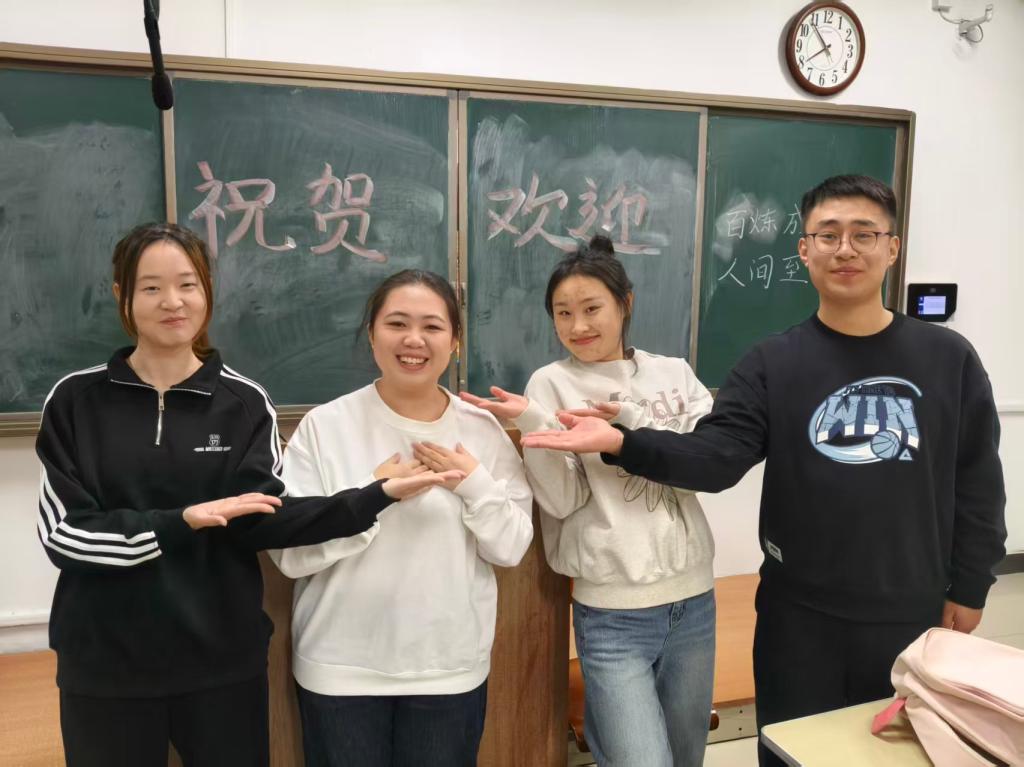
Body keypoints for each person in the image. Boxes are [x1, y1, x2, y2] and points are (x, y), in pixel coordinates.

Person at [521, 176, 1007, 766]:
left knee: (896, 755)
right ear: (804, 249)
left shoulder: (948, 358)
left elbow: (978, 482)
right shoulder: (772, 363)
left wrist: (971, 584)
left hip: (910, 608)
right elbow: (715, 458)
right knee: (792, 755)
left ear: (892, 247)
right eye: (828, 235)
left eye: (863, 234)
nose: (845, 249)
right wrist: (624, 443)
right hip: (798, 620)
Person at [35, 223, 454, 767]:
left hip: (222, 668)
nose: (172, 302)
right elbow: (66, 536)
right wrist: (182, 521)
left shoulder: (244, 402)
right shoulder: (74, 400)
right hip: (104, 666)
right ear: (123, 295)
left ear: (207, 290)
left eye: (187, 284)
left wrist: (372, 497)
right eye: (151, 287)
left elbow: (265, 518)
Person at [461, 235, 717, 767]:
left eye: (592, 308)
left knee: (686, 756)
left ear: (625, 303)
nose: (578, 326)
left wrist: (629, 429)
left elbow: (700, 472)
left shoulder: (675, 374)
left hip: (694, 604)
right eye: (563, 313)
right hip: (613, 614)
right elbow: (561, 501)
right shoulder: (551, 384)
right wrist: (533, 423)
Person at [270, 269, 534, 767]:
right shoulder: (326, 426)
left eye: (432, 326)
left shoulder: (481, 431)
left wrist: (475, 484)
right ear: (371, 334)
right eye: (396, 323)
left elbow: (512, 548)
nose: (414, 340)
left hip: (448, 669)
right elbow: (291, 555)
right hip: (339, 670)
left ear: (455, 341)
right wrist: (372, 497)